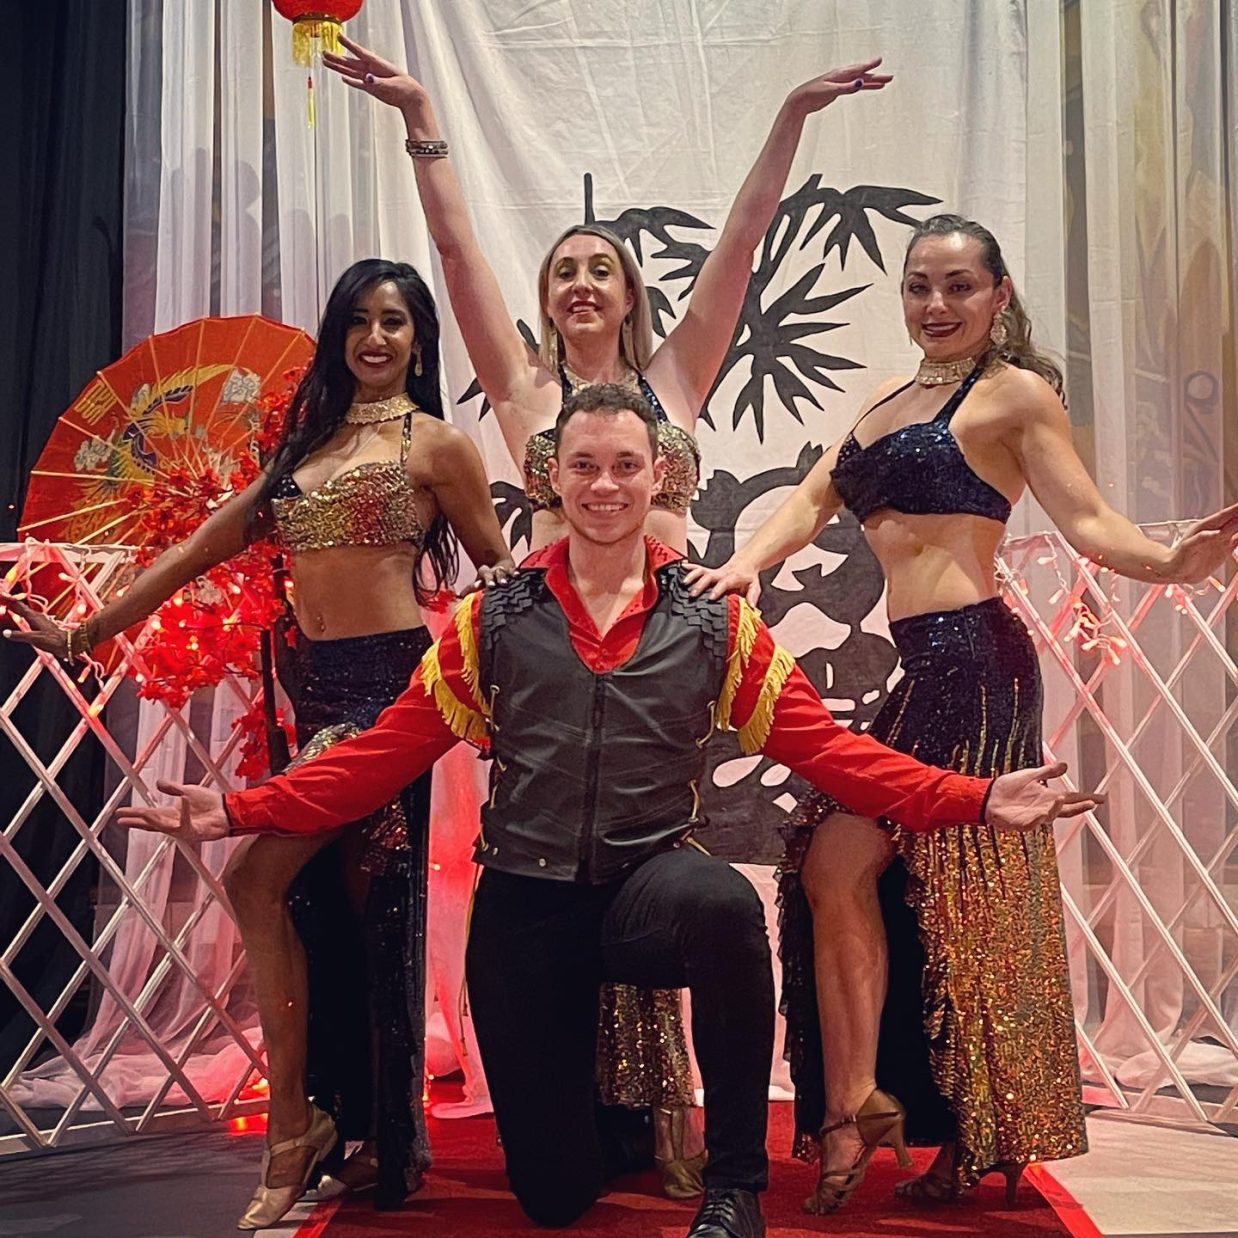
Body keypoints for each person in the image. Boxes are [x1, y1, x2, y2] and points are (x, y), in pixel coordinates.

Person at [117, 384, 1100, 1238]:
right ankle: (598, 1134)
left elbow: (835, 754)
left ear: (655, 476)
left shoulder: (712, 617)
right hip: (526, 901)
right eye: (583, 465)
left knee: (722, 906)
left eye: (625, 466)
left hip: (645, 888)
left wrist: (977, 795)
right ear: (551, 479)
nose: (604, 485)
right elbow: (376, 759)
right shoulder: (491, 618)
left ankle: (734, 1187)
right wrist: (239, 809)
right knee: (553, 1197)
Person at [323, 35, 893, 1190]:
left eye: (600, 269)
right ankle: (592, 1117)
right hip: (551, 659)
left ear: (630, 291)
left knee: (666, 872)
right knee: (564, 885)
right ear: (544, 299)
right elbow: (455, 248)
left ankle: (674, 1119)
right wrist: (421, 117)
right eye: (562, 271)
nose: (580, 282)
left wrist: (789, 115)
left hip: (670, 649)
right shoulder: (523, 387)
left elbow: (741, 239)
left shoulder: (674, 378)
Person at [685, 214, 1238, 1211]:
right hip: (921, 670)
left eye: (957, 286)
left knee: (961, 899)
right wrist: (741, 565)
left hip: (979, 665)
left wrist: (1168, 563)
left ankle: (964, 1129)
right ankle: (863, 1106)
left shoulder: (1014, 394)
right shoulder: (885, 402)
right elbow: (809, 498)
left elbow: (1087, 517)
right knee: (843, 872)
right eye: (918, 287)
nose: (935, 305)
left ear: (997, 294)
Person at [3, 258, 514, 1227]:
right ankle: (368, 1131)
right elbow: (197, 547)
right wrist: (84, 632)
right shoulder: (304, 448)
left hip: (387, 701)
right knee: (340, 913)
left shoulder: (438, 445)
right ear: (337, 333)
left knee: (261, 881)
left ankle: (295, 1127)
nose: (374, 338)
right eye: (358, 319)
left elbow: (498, 576)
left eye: (394, 321)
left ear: (419, 340)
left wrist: (498, 694)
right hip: (311, 696)